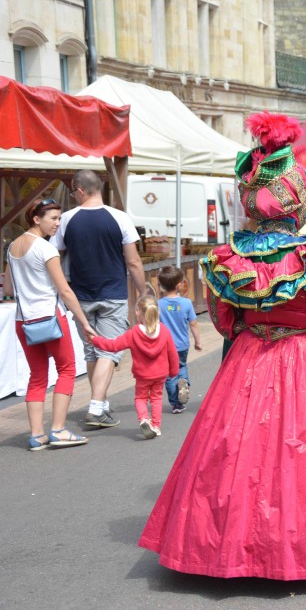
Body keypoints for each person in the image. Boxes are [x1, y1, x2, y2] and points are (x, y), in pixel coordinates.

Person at [139, 112, 306, 579]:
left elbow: (225, 322)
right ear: (299, 197)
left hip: (249, 362)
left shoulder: (230, 256)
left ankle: (238, 551)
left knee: (243, 460)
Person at [51, 169, 146, 430]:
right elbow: (133, 261)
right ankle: (95, 406)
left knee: (93, 351)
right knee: (108, 350)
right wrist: (144, 293)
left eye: (73, 192)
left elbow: (54, 256)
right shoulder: (120, 218)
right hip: (113, 293)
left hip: (79, 296)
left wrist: (60, 287)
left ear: (80, 190)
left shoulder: (67, 220)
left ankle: (101, 403)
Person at [4, 198, 94, 451]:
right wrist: (83, 321)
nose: (57, 223)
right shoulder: (46, 249)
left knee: (37, 376)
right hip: (51, 318)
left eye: (58, 218)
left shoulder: (12, 248)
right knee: (67, 370)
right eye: (53, 218)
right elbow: (64, 291)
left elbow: (9, 288)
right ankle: (58, 430)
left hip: (24, 321)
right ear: (36, 219)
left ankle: (36, 436)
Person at [91, 296, 179, 439]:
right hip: (161, 374)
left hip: (142, 376)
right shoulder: (164, 331)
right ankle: (156, 426)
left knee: (140, 398)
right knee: (156, 398)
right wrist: (174, 372)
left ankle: (144, 419)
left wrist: (95, 340)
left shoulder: (133, 333)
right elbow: (173, 354)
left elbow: (113, 346)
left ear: (138, 312)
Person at [156, 266, 201, 414]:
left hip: (164, 346)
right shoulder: (186, 303)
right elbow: (193, 323)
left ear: (161, 285)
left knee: (169, 374)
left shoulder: (158, 304)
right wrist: (197, 341)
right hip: (182, 345)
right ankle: (184, 382)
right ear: (179, 285)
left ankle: (176, 404)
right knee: (181, 366)